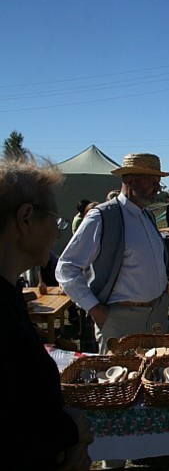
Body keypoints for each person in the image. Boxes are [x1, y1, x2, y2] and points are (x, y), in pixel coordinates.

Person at [1, 157, 93, 470]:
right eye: (56, 221)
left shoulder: (11, 295)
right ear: (25, 218)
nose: (57, 233)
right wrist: (69, 432)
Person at [56, 153, 169, 354]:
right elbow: (67, 267)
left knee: (157, 379)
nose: (157, 187)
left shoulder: (148, 216)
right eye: (152, 181)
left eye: (158, 182)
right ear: (130, 180)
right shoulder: (102, 216)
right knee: (121, 381)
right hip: (121, 321)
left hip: (157, 316)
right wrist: (95, 309)